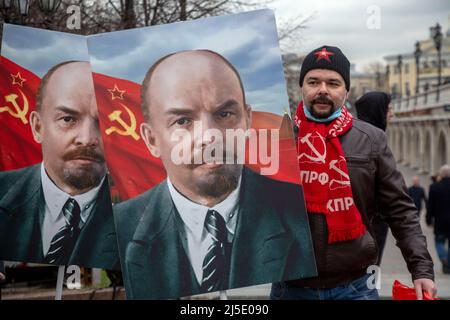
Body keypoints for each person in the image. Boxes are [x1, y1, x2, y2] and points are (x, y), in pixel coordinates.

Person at [114, 49, 316, 299]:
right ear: (151, 139)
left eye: (224, 114)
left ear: (247, 119)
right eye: (182, 121)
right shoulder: (119, 229)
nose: (210, 136)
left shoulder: (300, 214)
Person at [271, 45, 436, 300]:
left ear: (346, 91)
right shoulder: (276, 139)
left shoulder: (371, 139)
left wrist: (421, 268)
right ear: (300, 87)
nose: (322, 90)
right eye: (313, 81)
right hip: (290, 287)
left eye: (333, 83)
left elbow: (400, 209)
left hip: (355, 287)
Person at [0, 61, 118, 269]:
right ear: (38, 127)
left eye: (102, 123)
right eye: (68, 119)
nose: (87, 138)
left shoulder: (140, 219)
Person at [354, 91, 393, 265]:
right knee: (369, 280)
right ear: (378, 111)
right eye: (388, 109)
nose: (391, 114)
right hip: (368, 230)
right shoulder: (370, 142)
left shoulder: (368, 138)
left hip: (372, 229)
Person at [426, 164, 450, 274]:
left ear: (441, 174)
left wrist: (428, 219)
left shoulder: (435, 187)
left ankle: (443, 257)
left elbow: (430, 205)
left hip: (440, 220)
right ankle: (448, 264)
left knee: (439, 241)